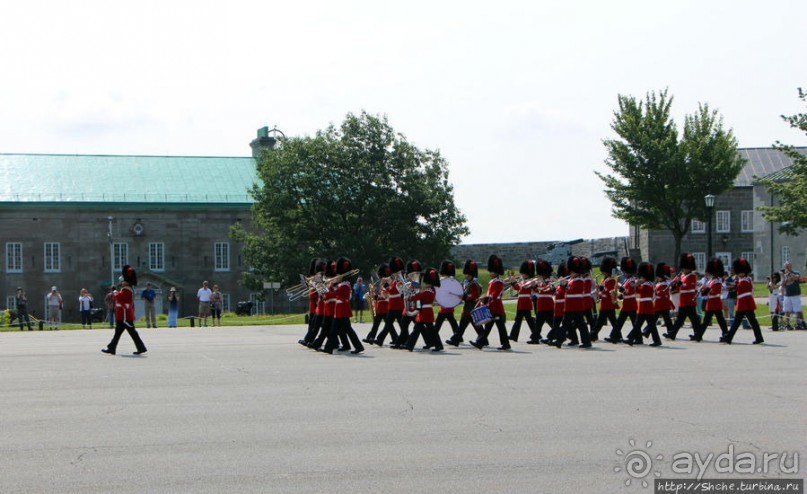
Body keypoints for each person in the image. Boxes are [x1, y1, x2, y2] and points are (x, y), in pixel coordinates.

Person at [102, 265, 148, 355]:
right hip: (123, 315)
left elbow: (117, 297)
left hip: (125, 316)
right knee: (118, 332)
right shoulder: (125, 289)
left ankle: (141, 347)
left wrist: (114, 292)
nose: (121, 282)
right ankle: (112, 347)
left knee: (132, 333)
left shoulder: (127, 290)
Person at [469, 255, 511, 351]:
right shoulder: (493, 281)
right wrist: (482, 298)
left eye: (492, 271)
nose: (490, 273)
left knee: (496, 327)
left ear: (496, 272)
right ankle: (482, 343)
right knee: (492, 326)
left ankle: (481, 342)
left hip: (496, 307)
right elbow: (489, 293)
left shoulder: (498, 282)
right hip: (492, 307)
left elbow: (495, 295)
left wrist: (486, 300)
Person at [721, 258, 764, 345]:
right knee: (746, 321)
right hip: (744, 301)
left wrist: (733, 285)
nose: (740, 273)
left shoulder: (745, 279)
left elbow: (739, 288)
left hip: (745, 301)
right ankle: (758, 337)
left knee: (746, 321)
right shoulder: (742, 279)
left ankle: (729, 337)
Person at [663, 253, 702, 341]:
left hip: (689, 300)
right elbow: (679, 288)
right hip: (683, 300)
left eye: (685, 267)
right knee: (682, 319)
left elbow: (688, 286)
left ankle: (697, 334)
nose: (683, 269)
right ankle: (673, 334)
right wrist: (674, 283)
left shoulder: (692, 276)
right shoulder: (683, 276)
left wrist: (679, 282)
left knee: (691, 319)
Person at [405, 267, 444, 352]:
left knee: (419, 329)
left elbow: (420, 296)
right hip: (425, 312)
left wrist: (409, 297)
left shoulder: (429, 290)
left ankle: (409, 345)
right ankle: (438, 345)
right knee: (427, 329)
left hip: (426, 312)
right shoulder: (429, 289)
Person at [690, 258, 728, 341]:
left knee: (720, 320)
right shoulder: (711, 280)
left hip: (715, 302)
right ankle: (699, 335)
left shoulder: (717, 281)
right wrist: (703, 289)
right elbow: (707, 291)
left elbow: (714, 291)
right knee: (706, 321)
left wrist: (705, 290)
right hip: (711, 302)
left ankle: (725, 334)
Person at [624, 262, 661, 346]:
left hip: (646, 306)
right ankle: (631, 338)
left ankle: (656, 340)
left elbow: (640, 291)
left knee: (649, 325)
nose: (640, 278)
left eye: (641, 277)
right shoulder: (647, 284)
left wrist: (636, 285)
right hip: (644, 305)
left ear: (645, 276)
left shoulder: (648, 284)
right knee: (639, 324)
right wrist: (636, 285)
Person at [781, 262, 805, 330]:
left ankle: (802, 323)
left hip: (795, 294)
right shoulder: (784, 275)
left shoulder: (796, 272)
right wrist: (784, 276)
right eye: (786, 266)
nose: (787, 268)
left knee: (798, 310)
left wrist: (790, 274)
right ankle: (788, 324)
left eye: (788, 266)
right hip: (787, 295)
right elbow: (782, 284)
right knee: (787, 310)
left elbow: (796, 278)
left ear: (791, 266)